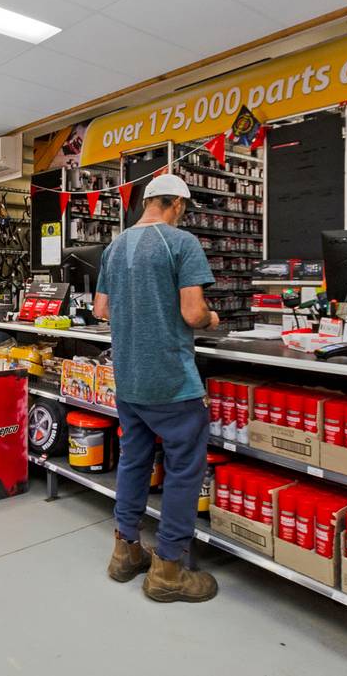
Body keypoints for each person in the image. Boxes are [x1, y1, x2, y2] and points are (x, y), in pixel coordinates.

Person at [92, 173, 220, 603]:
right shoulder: (182, 242)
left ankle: (125, 551)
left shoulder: (115, 246)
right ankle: (168, 569)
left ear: (146, 202)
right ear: (177, 205)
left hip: (129, 377)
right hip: (171, 380)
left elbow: (101, 309)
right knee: (184, 470)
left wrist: (139, 311)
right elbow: (192, 313)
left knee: (134, 461)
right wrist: (211, 319)